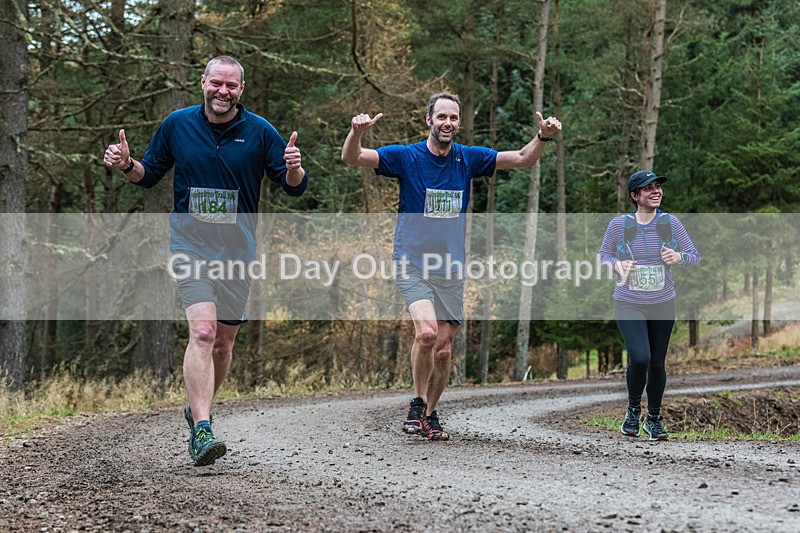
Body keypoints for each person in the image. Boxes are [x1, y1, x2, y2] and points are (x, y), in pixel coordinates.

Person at [102, 56, 308, 465]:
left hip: (237, 253)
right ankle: (202, 428)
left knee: (224, 344)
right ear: (203, 82)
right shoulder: (178, 124)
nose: (222, 92)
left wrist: (294, 169)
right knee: (203, 331)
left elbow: (292, 189)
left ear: (241, 90)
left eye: (231, 86)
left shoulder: (261, 132)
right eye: (216, 83)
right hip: (190, 246)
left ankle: (199, 407)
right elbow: (149, 174)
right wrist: (127, 164)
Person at [341, 92, 561, 440]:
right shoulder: (406, 156)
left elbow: (521, 159)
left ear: (459, 123)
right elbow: (352, 157)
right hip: (411, 262)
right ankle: (416, 402)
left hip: (451, 269)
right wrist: (357, 131)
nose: (447, 123)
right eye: (441, 117)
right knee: (427, 333)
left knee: (443, 348)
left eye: (453, 118)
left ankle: (430, 414)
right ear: (428, 120)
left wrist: (543, 136)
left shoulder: (467, 158)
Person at [599, 170, 699, 441]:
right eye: (648, 188)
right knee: (640, 357)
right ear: (635, 196)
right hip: (628, 302)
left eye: (658, 187)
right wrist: (616, 264)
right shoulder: (620, 225)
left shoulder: (670, 223)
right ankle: (633, 410)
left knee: (657, 363)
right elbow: (603, 256)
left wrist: (678, 256)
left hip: (663, 302)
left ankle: (653, 419)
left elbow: (693, 257)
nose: (656, 191)